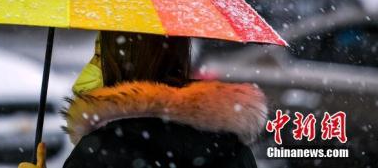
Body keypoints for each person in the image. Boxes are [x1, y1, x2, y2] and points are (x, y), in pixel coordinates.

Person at [20, 31, 267, 168]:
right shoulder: (229, 148)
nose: (94, 63)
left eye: (99, 53)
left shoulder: (100, 152)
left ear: (118, 60)